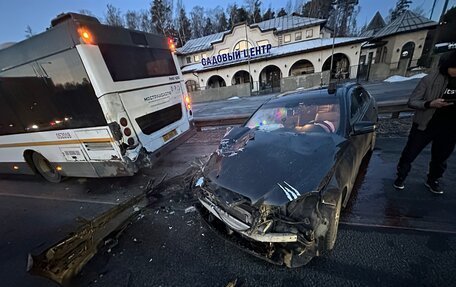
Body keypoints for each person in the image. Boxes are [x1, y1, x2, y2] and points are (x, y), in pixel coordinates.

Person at [394, 51, 456, 194]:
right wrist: (430, 104)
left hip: (450, 128)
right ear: (448, 65)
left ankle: (433, 180)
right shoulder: (430, 80)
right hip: (425, 125)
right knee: (410, 153)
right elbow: (413, 101)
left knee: (441, 158)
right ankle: (400, 177)